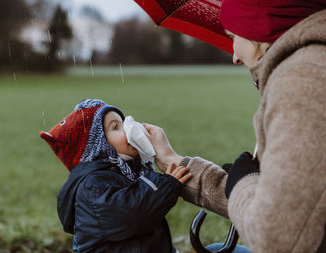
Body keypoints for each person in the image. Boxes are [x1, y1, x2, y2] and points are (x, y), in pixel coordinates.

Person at [142, 1, 326, 252]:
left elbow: (277, 238)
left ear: (258, 30)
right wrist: (177, 162)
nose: (235, 56)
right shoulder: (311, 67)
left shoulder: (302, 80)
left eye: (233, 36)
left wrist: (244, 182)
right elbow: (288, 208)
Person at [39, 99, 192, 253]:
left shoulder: (126, 170)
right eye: (116, 127)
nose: (127, 128)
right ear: (98, 146)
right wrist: (166, 186)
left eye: (123, 122)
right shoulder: (92, 185)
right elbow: (133, 215)